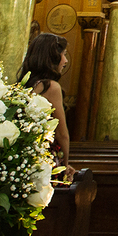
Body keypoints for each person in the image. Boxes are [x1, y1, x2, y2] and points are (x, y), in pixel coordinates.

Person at [19, 33, 72, 173]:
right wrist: (65, 164)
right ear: (53, 57)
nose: (65, 61)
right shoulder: (51, 86)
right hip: (45, 158)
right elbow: (62, 133)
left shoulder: (26, 85)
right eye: (64, 55)